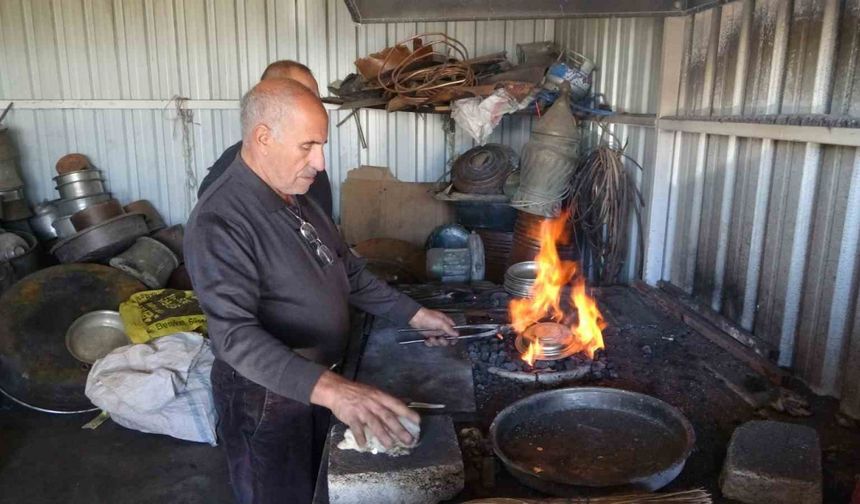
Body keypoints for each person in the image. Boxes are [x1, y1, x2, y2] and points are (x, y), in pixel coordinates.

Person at [184, 78, 458, 504]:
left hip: (319, 381)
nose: (321, 162)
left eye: (322, 145)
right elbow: (234, 336)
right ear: (263, 138)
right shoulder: (220, 220)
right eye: (308, 145)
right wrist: (337, 392)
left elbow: (347, 271)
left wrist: (413, 314)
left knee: (321, 488)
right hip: (266, 399)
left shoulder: (299, 195)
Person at [197, 60, 333, 218]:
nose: (319, 164)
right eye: (299, 94)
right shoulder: (221, 201)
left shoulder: (314, 169)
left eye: (316, 98)